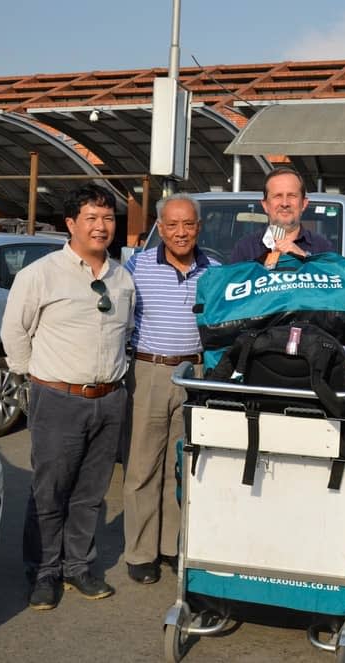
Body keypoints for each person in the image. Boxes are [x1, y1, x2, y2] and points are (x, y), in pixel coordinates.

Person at [1, 183, 134, 611]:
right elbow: (14, 332)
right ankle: (43, 572)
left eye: (108, 218)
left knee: (91, 493)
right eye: (91, 218)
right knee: (50, 489)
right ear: (71, 224)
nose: (101, 227)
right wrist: (36, 379)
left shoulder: (122, 277)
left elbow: (125, 332)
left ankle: (78, 566)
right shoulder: (40, 274)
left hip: (110, 398)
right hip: (58, 398)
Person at [122, 194, 217, 584]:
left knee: (183, 466)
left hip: (195, 371)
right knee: (144, 464)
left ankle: (173, 546)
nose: (181, 233)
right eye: (173, 225)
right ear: (160, 228)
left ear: (198, 227)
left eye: (189, 224)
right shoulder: (137, 266)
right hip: (150, 370)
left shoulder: (214, 269)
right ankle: (141, 553)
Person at [229, 167, 334, 263]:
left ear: (304, 203)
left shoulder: (322, 247)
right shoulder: (246, 248)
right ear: (265, 205)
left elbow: (336, 280)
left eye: (292, 195)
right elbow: (232, 281)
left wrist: (303, 257)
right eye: (277, 196)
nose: (285, 203)